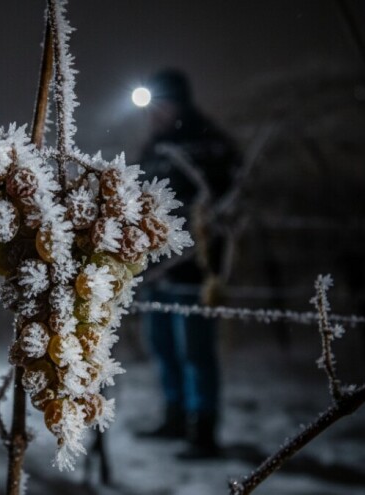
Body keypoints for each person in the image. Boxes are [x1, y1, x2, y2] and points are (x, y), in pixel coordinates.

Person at [135, 69, 240, 459]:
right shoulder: (153, 149)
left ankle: (203, 428)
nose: (154, 114)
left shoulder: (208, 144)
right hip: (155, 270)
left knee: (196, 351)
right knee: (163, 347)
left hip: (193, 270)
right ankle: (175, 416)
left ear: (178, 103)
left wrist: (203, 243)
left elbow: (223, 203)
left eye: (161, 105)